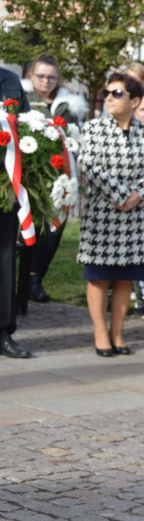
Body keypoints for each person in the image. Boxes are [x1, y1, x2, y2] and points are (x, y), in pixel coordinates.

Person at [77, 73, 144, 357]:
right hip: (103, 216)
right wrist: (120, 196)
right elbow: (88, 164)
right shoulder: (92, 129)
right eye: (107, 93)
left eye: (117, 93)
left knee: (127, 277)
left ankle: (118, 333)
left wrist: (136, 195)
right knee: (99, 276)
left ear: (135, 101)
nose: (108, 98)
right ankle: (100, 333)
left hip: (135, 218)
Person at [21, 54, 89, 304]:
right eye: (41, 76)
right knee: (25, 229)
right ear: (32, 76)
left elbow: (75, 138)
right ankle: (18, 280)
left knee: (53, 228)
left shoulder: (69, 105)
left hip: (59, 175)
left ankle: (35, 279)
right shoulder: (22, 98)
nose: (46, 81)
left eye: (52, 77)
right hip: (28, 173)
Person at [0, 67, 31, 358]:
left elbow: (29, 123)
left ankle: (3, 332)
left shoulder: (10, 79)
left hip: (5, 183)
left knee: (5, 258)